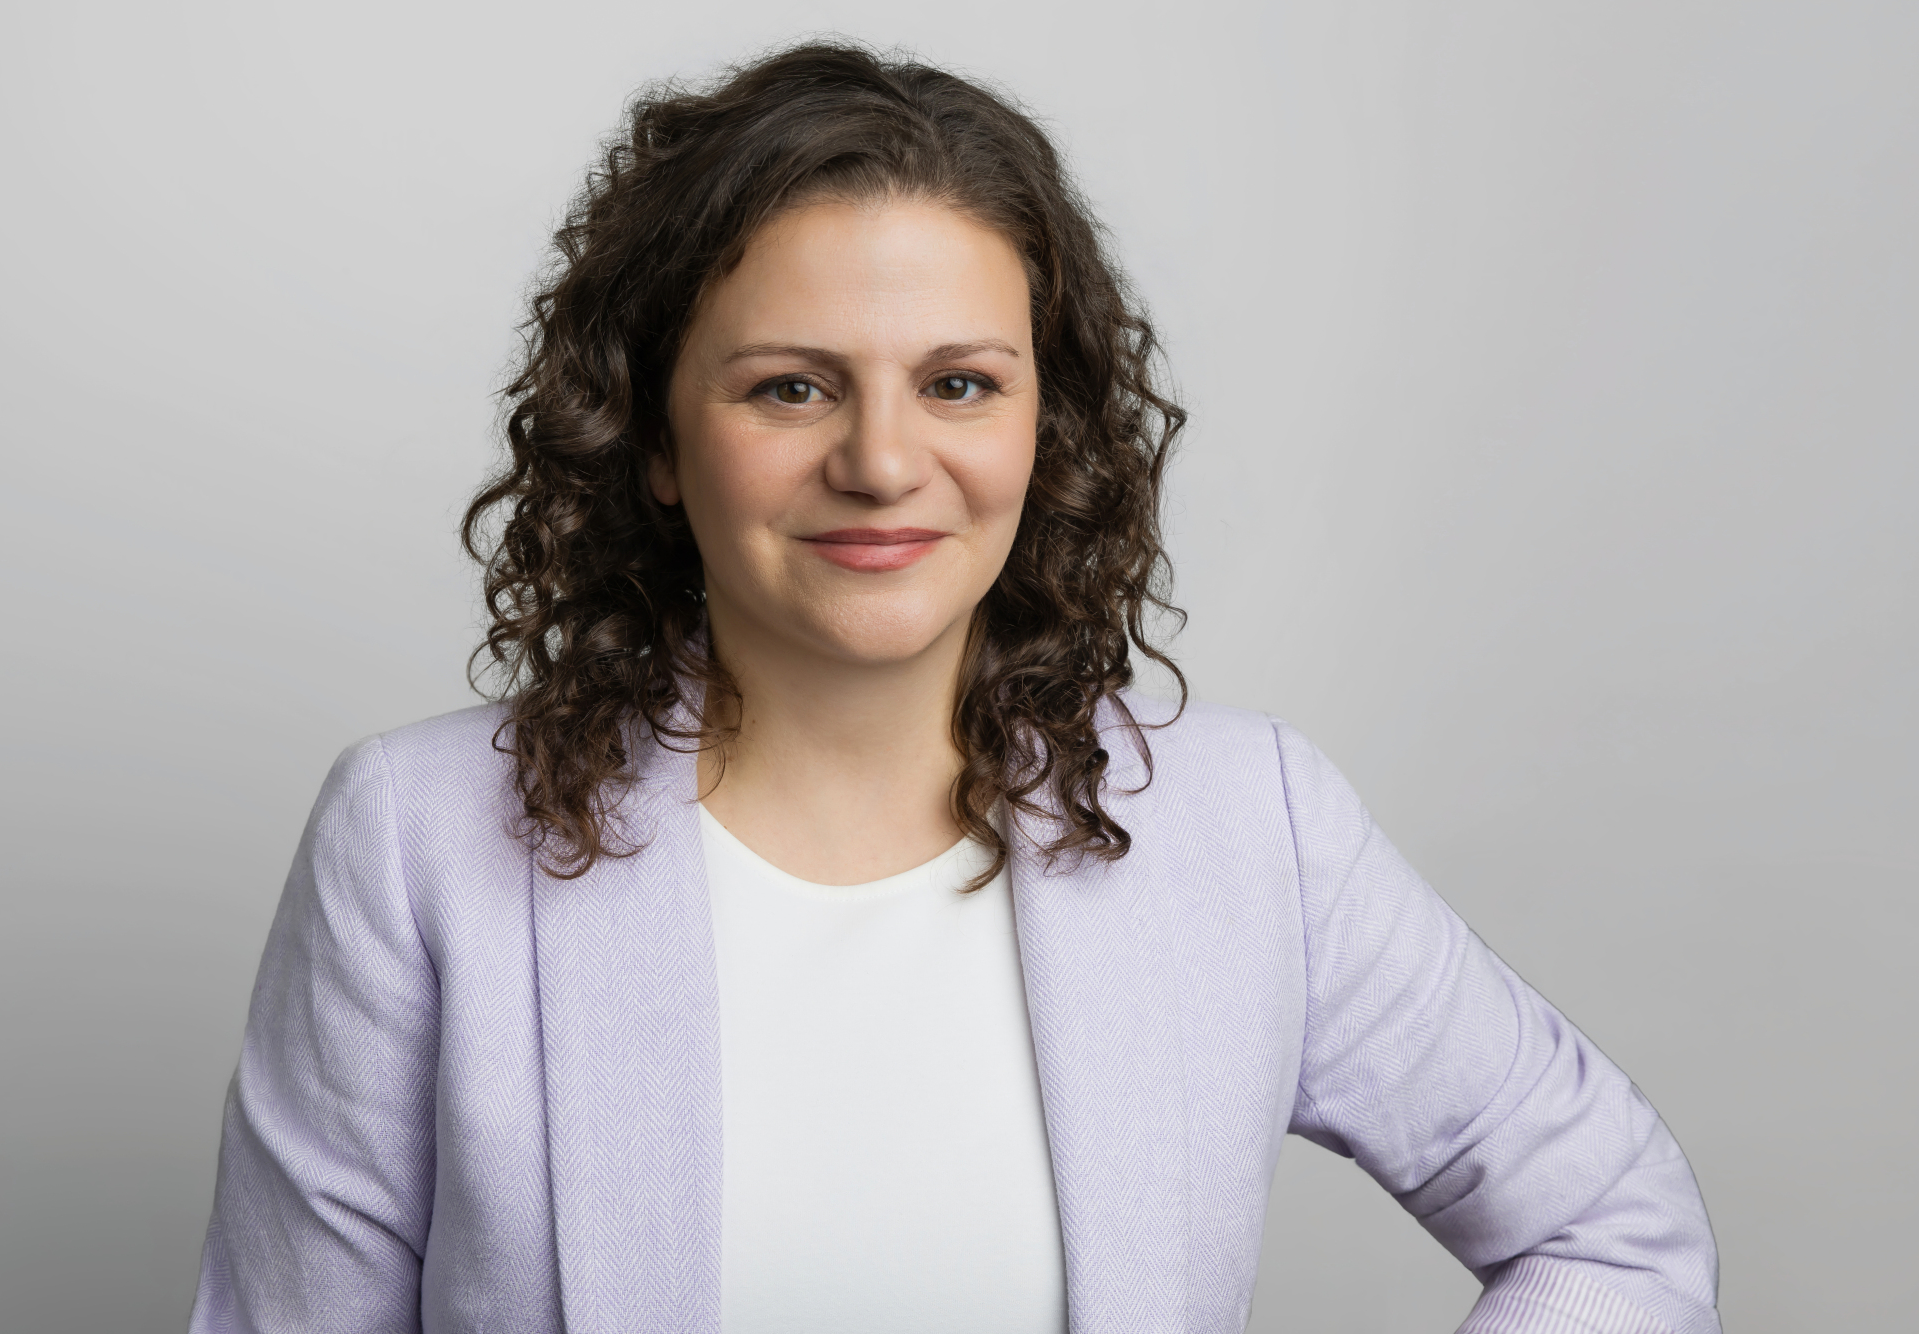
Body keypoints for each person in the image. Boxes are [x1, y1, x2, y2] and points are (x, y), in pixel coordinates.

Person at [190, 42, 1721, 1334]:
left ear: (1045, 429)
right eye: (790, 385)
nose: (880, 460)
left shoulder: (1252, 827)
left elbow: (1611, 1225)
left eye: (959, 382)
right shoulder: (414, 838)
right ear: (653, 440)